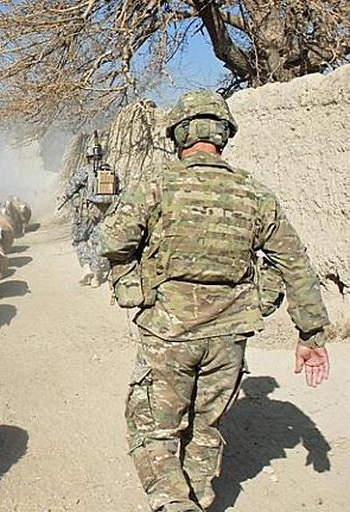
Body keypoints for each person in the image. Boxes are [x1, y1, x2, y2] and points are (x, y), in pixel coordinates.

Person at [99, 90, 331, 512]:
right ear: (223, 135)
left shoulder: (156, 184)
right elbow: (294, 261)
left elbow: (113, 240)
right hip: (229, 336)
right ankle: (200, 498)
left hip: (169, 333)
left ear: (181, 134)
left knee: (154, 428)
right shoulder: (254, 193)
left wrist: (131, 271)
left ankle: (174, 503)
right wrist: (311, 333)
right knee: (206, 427)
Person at [61, 142, 118, 286]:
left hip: (86, 213)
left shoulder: (84, 172)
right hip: (105, 213)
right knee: (96, 242)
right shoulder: (111, 171)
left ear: (88, 157)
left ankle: (87, 267)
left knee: (79, 240)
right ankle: (97, 274)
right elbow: (120, 190)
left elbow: (70, 189)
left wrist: (70, 198)